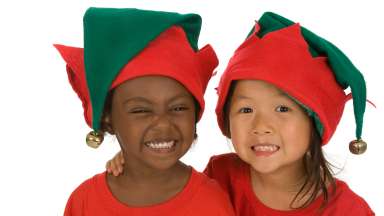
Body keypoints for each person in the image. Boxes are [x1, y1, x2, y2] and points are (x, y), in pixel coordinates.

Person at [107, 12, 375, 215]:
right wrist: (139, 162)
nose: (261, 125)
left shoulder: (348, 210)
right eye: (246, 109)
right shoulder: (220, 175)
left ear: (315, 120)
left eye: (282, 109)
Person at [55, 7, 235, 216]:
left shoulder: (211, 202)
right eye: (141, 110)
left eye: (178, 108)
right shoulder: (84, 202)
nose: (163, 124)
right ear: (107, 118)